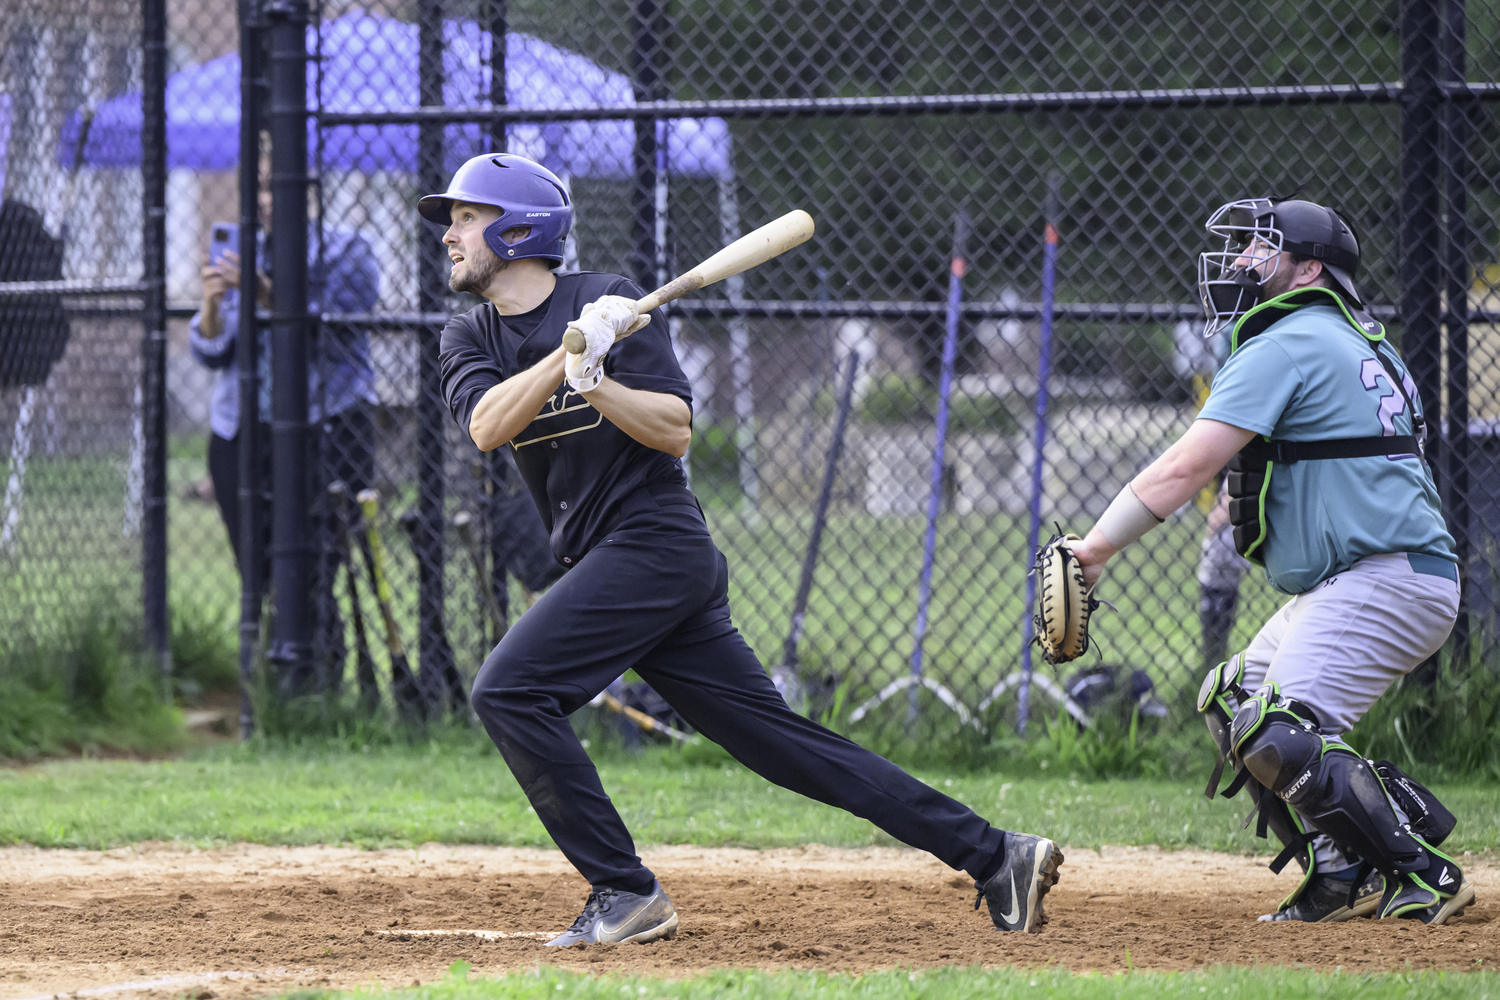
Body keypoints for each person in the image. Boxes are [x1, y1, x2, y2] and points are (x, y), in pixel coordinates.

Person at [429, 152, 1062, 946]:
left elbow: (674, 429)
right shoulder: (469, 333)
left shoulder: (607, 299)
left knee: (508, 689)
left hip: (655, 545)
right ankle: (996, 854)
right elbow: (488, 426)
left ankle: (623, 890)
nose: (450, 234)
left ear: (519, 228)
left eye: (465, 217)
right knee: (788, 749)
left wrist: (599, 382)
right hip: (610, 563)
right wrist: (570, 354)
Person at [1068, 198, 1471, 925]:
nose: (1239, 264)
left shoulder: (1286, 338)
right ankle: (1343, 873)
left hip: (1384, 575)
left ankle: (1420, 870)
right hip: (1378, 574)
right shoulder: (1355, 338)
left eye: (1261, 249)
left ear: (1309, 269)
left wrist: (1094, 550)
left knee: (1278, 727)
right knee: (1236, 700)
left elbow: (1186, 467)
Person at [190, 192, 380, 693]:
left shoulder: (347, 251)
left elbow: (337, 335)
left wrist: (265, 292)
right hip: (243, 430)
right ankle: (272, 687)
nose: (267, 199)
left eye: (278, 184)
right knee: (259, 571)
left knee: (316, 571)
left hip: (329, 427)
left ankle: (317, 685)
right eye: (259, 184)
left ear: (309, 188)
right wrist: (212, 302)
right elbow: (212, 349)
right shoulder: (242, 251)